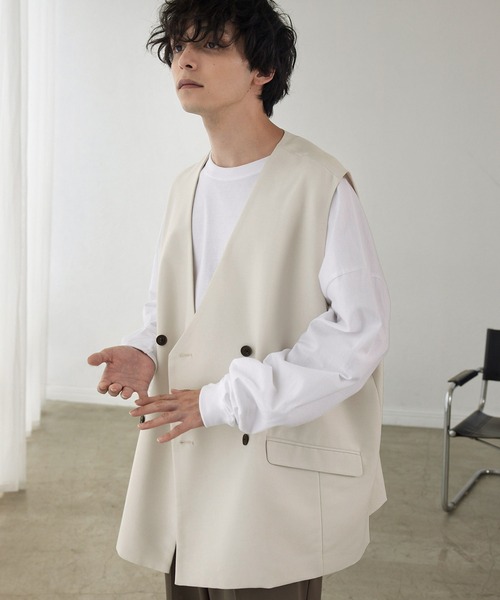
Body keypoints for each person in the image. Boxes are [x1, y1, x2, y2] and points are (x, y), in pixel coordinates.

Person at [88, 1, 390, 598]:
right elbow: (171, 308)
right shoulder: (186, 185)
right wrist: (145, 350)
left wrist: (226, 400)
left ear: (263, 72)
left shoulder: (319, 183)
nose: (186, 60)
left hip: (269, 469)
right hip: (188, 456)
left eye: (211, 45)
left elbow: (358, 335)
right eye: (178, 47)